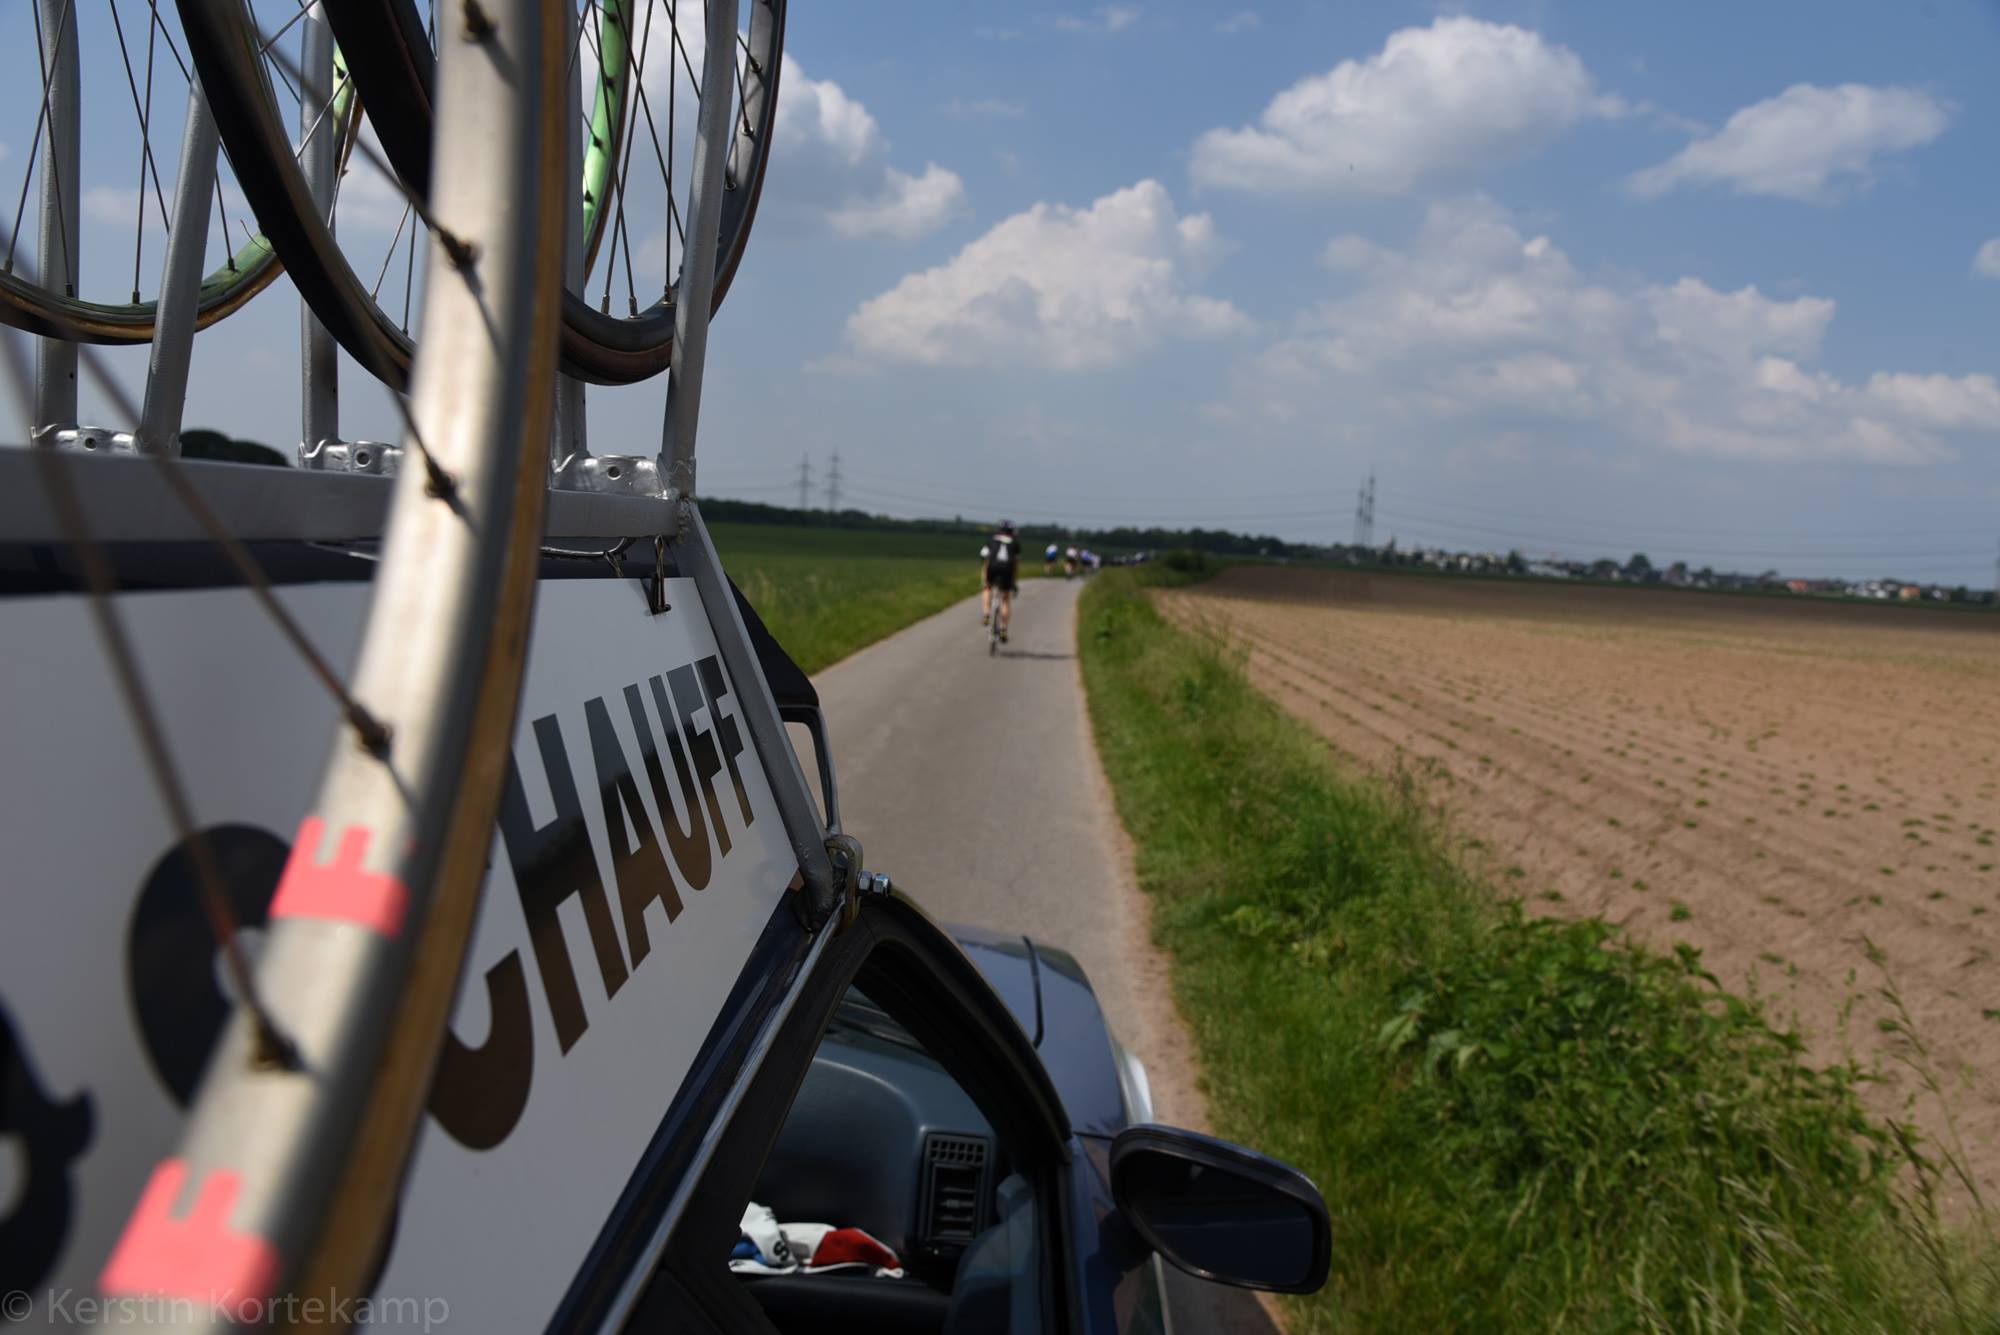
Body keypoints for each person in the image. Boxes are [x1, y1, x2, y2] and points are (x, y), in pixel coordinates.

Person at [980, 520, 1023, 642]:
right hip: (1007, 570)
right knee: (1005, 598)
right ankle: (1003, 629)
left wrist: (985, 578)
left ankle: (987, 614)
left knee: (987, 588)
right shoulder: (1015, 543)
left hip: (993, 567)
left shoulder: (992, 540)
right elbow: (1015, 564)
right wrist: (1014, 582)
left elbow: (986, 559)